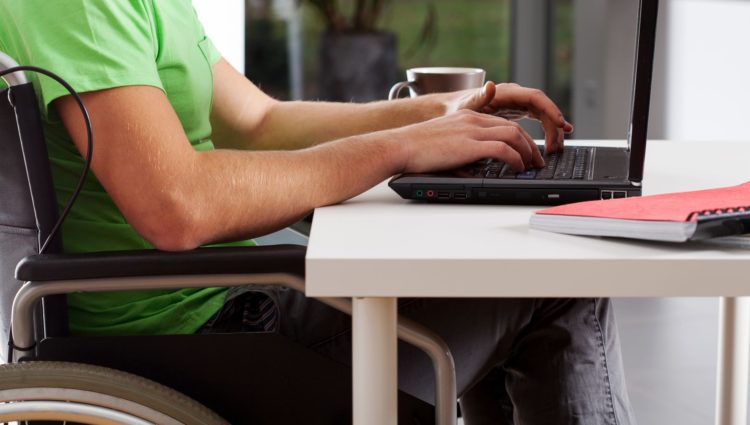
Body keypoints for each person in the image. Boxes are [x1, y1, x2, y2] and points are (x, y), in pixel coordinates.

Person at [0, 1, 636, 423]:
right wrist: (400, 150)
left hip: (230, 303)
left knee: (524, 279)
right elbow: (177, 206)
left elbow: (257, 120)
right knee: (555, 282)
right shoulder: (77, 5)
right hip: (196, 337)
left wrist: (438, 114)